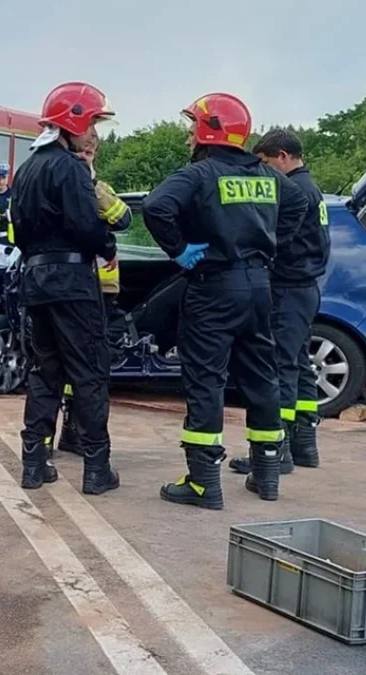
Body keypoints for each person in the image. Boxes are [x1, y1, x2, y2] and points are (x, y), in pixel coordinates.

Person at [143, 93, 307, 509]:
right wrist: (268, 246)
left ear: (206, 131)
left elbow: (156, 206)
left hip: (213, 287)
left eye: (191, 127)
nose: (187, 137)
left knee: (206, 379)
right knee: (261, 377)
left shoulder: (200, 174)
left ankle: (203, 483)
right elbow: (299, 203)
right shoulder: (269, 177)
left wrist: (179, 250)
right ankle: (267, 475)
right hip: (259, 288)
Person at [10, 81, 121, 495]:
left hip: (35, 282)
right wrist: (107, 244)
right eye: (92, 122)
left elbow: (19, 233)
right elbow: (86, 226)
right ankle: (96, 469)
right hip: (73, 283)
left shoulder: (27, 169)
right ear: (72, 122)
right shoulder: (71, 168)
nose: (94, 133)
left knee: (44, 373)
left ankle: (34, 464)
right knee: (89, 374)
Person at [226, 129, 330, 476]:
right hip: (306, 288)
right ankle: (304, 446)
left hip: (287, 288)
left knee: (279, 367)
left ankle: (276, 450)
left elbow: (277, 237)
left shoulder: (294, 191)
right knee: (300, 366)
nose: (266, 171)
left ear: (283, 156)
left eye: (268, 163)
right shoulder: (311, 187)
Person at [55, 141, 132, 457]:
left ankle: (73, 433)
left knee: (80, 366)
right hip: (80, 286)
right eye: (81, 153)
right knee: (77, 366)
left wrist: (95, 190)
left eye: (90, 153)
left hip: (103, 289)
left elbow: (124, 218)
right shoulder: (67, 188)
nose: (86, 157)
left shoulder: (101, 189)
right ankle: (81, 442)